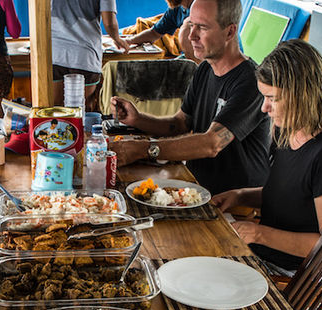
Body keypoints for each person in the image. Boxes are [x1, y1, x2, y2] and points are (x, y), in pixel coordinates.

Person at [211, 40, 322, 274]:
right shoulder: (286, 130)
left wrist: (259, 233)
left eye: (273, 98)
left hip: (292, 274)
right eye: (264, 97)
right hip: (260, 254)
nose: (264, 108)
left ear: (304, 95)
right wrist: (239, 196)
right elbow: (290, 198)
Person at [108, 0, 270, 195]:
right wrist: (138, 119)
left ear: (230, 32)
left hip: (233, 203)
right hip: (194, 188)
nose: (192, 35)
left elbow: (212, 143)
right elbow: (180, 123)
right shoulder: (204, 69)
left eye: (202, 27)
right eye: (191, 25)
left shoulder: (251, 82)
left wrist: (144, 149)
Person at [51, 0, 129, 109]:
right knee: (81, 113)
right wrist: (117, 38)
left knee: (53, 111)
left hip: (54, 53)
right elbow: (109, 23)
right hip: (84, 56)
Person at [127, 0, 197, 61]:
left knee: (187, 27)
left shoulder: (201, 5)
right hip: (189, 58)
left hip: (204, 57)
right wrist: (129, 41)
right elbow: (154, 33)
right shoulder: (177, 9)